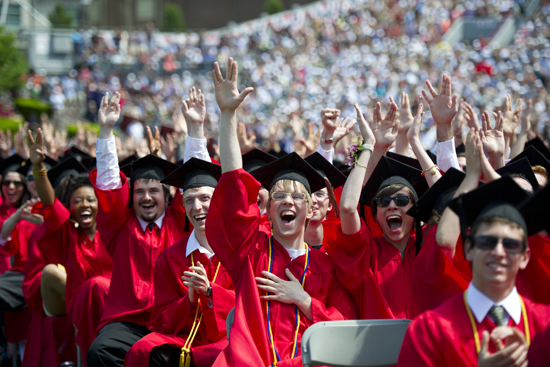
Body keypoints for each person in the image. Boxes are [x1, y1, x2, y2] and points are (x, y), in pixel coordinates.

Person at [205, 58, 357, 367]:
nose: (287, 201)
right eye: (279, 196)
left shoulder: (326, 267)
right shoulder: (252, 251)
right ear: (269, 209)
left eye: (296, 197)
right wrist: (227, 115)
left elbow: (344, 325)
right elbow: (234, 184)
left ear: (310, 207)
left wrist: (304, 300)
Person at [397, 176, 550, 367]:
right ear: (468, 249)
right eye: (487, 242)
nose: (498, 252)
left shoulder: (545, 325)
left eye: (510, 244)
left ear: (525, 256)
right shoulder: (429, 331)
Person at [87, 92, 189, 367]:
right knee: (101, 351)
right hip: (127, 322)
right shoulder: (120, 226)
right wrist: (106, 130)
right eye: (139, 191)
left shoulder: (178, 223)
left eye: (154, 190)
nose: (146, 197)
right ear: (130, 198)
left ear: (167, 197)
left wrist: (195, 131)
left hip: (170, 320)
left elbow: (192, 183)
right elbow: (109, 183)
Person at [323, 99, 430, 320]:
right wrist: (371, 146)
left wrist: (414, 142)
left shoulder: (428, 247)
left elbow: (449, 203)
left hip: (425, 350)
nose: (392, 205)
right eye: (383, 202)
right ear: (376, 215)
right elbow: (348, 207)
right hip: (378, 352)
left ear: (415, 209)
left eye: (401, 200)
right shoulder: (367, 253)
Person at [124, 158, 235, 367]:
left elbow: (249, 305)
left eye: (204, 198)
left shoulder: (237, 251)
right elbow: (160, 320)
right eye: (189, 200)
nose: (197, 207)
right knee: (143, 350)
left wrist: (212, 291)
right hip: (183, 339)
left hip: (225, 338)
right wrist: (189, 301)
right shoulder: (170, 257)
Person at [28, 129, 113, 358]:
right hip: (81, 305)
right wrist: (38, 167)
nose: (84, 204)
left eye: (90, 199)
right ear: (71, 209)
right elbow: (49, 203)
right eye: (78, 201)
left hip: (113, 306)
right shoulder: (68, 235)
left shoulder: (113, 233)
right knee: (97, 285)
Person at [0, 154, 43, 354]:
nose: (33, 183)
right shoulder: (24, 212)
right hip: (18, 279)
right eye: (29, 179)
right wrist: (19, 215)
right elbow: (4, 238)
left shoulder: (60, 208)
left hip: (44, 277)